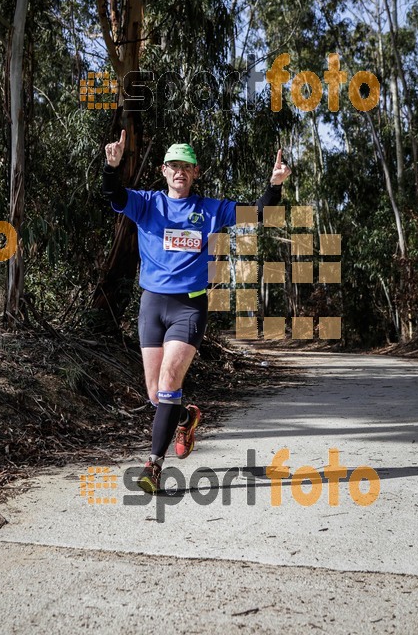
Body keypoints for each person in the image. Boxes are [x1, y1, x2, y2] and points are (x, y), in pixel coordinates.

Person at [103, 130, 291, 493]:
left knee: (170, 382)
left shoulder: (210, 209)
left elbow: (257, 213)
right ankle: (187, 416)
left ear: (195, 172)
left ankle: (152, 467)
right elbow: (113, 194)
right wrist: (112, 167)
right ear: (163, 170)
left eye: (186, 167)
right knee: (157, 395)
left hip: (189, 305)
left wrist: (274, 185)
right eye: (174, 165)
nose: (180, 172)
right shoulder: (147, 204)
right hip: (151, 304)